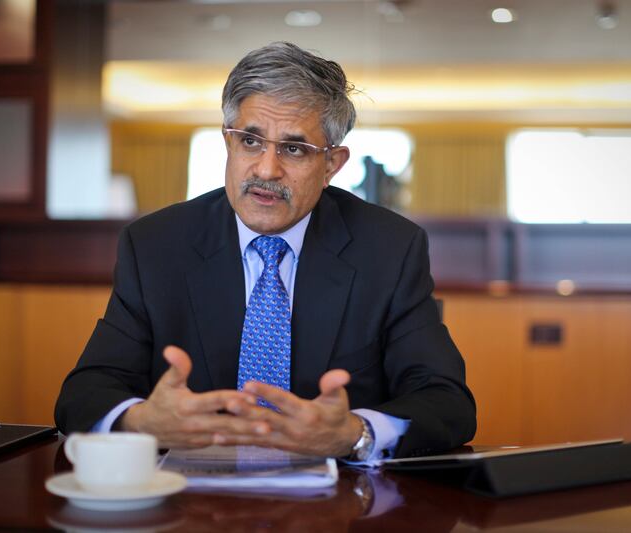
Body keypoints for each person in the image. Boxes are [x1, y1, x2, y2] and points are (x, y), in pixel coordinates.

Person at [54, 42, 476, 461]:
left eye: (293, 149)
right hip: (190, 506)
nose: (267, 170)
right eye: (250, 142)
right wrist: (142, 421)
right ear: (227, 143)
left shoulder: (389, 249)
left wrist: (355, 432)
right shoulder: (155, 245)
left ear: (332, 165)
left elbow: (446, 401)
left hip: (335, 508)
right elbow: (83, 394)